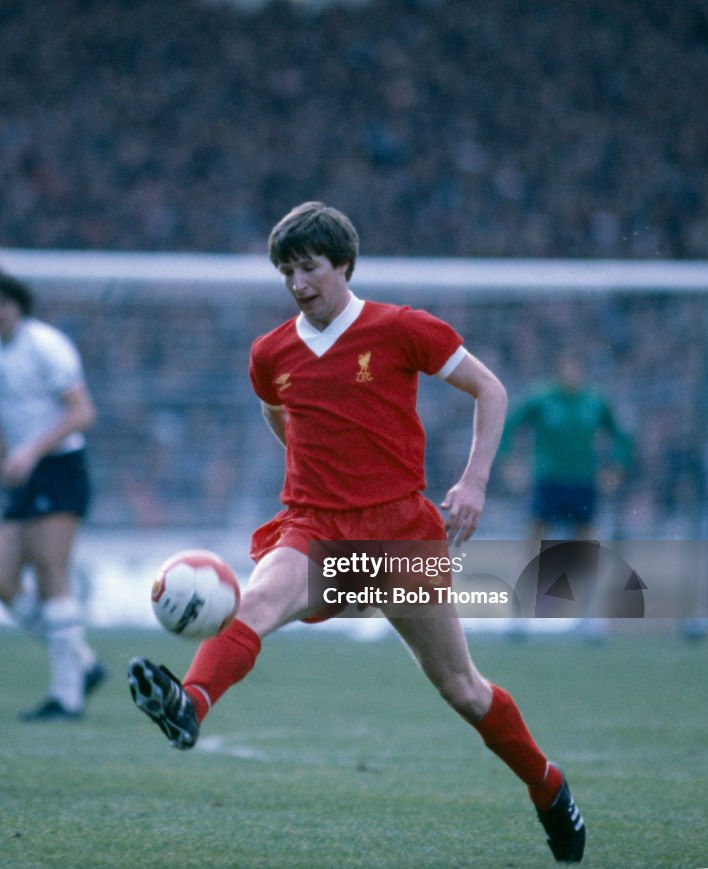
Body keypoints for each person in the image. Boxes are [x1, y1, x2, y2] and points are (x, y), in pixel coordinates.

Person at [127, 202, 586, 863]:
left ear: (343, 263)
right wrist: (317, 470)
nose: (298, 283)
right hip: (314, 526)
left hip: (400, 534)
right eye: (286, 270)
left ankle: (547, 785)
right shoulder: (270, 352)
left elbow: (491, 390)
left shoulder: (401, 329)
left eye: (309, 267)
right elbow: (278, 412)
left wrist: (475, 481)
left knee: (461, 687)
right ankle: (189, 702)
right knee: (254, 600)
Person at [0, 265, 106, 721]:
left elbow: (81, 412)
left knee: (50, 571)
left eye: (2, 303)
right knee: (1, 583)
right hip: (18, 472)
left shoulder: (46, 346)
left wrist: (31, 450)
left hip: (58, 467)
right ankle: (82, 661)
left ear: (18, 306)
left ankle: (67, 697)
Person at [500, 352, 633, 641]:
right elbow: (510, 424)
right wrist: (510, 462)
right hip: (548, 481)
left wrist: (616, 468)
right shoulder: (542, 398)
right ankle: (520, 616)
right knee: (534, 545)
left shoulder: (595, 402)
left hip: (583, 484)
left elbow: (622, 438)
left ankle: (589, 617)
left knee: (587, 549)